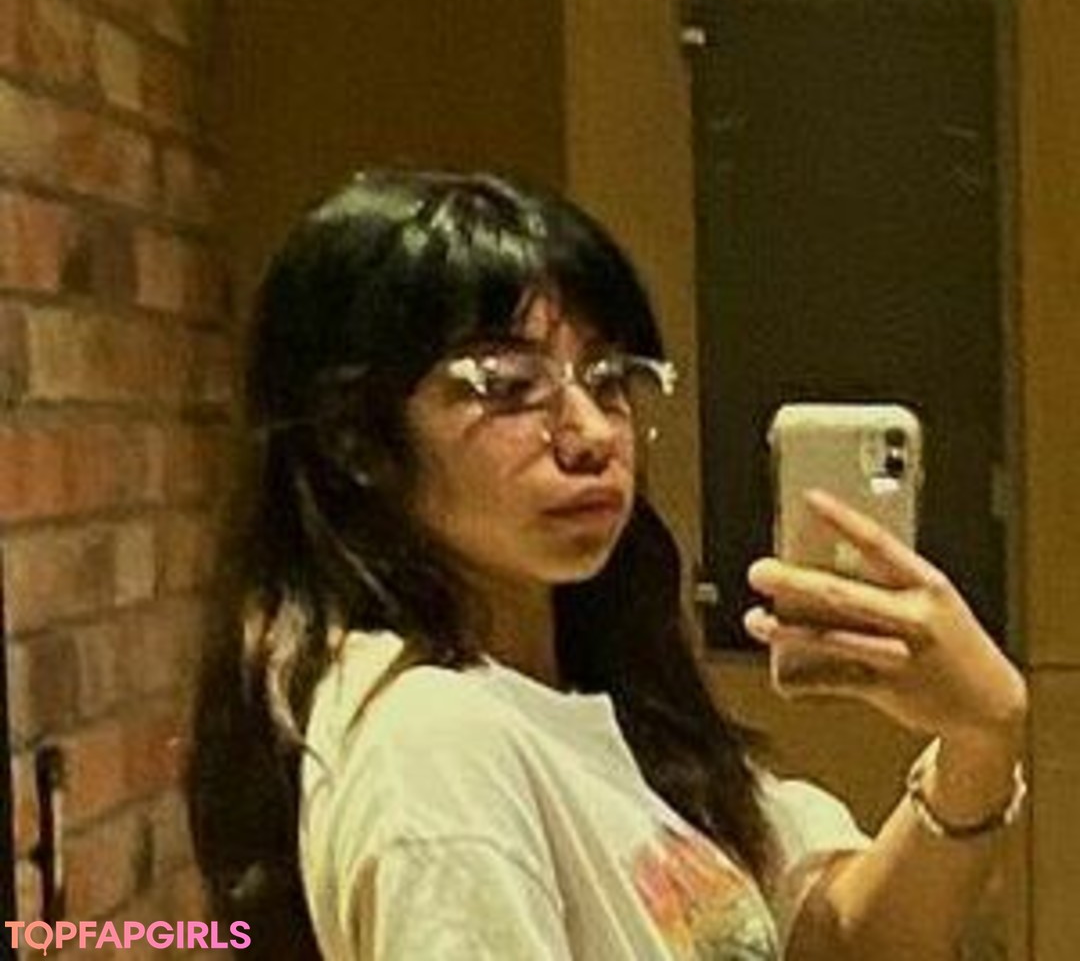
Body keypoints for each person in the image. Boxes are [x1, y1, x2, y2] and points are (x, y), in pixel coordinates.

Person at [187, 170, 1028, 960]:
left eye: (608, 377)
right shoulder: (438, 749)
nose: (592, 433)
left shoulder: (579, 694)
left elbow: (839, 934)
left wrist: (979, 739)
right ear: (354, 439)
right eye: (507, 386)